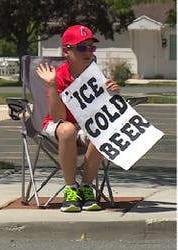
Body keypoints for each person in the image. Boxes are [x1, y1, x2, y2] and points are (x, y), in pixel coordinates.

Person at [36, 24, 120, 212]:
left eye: (91, 47)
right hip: (57, 127)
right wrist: (51, 84)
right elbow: (58, 117)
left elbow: (104, 112)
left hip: (85, 126)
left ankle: (86, 187)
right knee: (68, 129)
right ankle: (71, 189)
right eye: (82, 47)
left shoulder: (96, 77)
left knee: (103, 132)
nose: (88, 52)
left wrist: (114, 94)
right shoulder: (58, 76)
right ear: (67, 51)